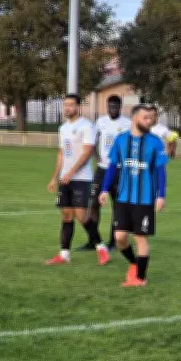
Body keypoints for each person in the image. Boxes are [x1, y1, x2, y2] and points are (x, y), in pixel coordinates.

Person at [99, 105, 169, 287]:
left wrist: (161, 195)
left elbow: (161, 170)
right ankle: (133, 263)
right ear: (135, 118)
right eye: (145, 118)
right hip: (123, 198)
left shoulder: (155, 142)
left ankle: (140, 278)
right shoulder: (121, 140)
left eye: (151, 118)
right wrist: (105, 189)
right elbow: (113, 166)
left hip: (145, 199)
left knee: (140, 238)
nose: (150, 121)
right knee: (120, 237)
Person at [45, 94, 110, 266]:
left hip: (82, 178)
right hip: (64, 178)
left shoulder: (87, 126)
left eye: (71, 105)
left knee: (82, 216)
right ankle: (64, 254)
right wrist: (54, 177)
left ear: (78, 107)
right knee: (66, 215)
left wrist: (72, 172)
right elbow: (61, 153)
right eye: (65, 105)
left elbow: (87, 152)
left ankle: (101, 247)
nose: (67, 108)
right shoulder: (63, 128)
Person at [78, 95, 131, 252]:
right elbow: (93, 141)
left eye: (115, 106)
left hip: (119, 171)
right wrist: (97, 156)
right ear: (107, 106)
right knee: (93, 204)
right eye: (110, 106)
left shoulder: (127, 124)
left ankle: (114, 242)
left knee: (117, 206)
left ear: (120, 107)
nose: (112, 109)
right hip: (101, 169)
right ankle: (93, 240)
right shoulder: (100, 122)